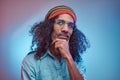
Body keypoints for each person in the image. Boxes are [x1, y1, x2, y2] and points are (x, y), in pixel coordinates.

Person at [21, 5, 89, 80]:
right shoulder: (31, 61)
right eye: (60, 23)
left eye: (70, 25)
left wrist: (68, 57)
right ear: (49, 27)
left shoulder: (77, 60)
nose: (66, 29)